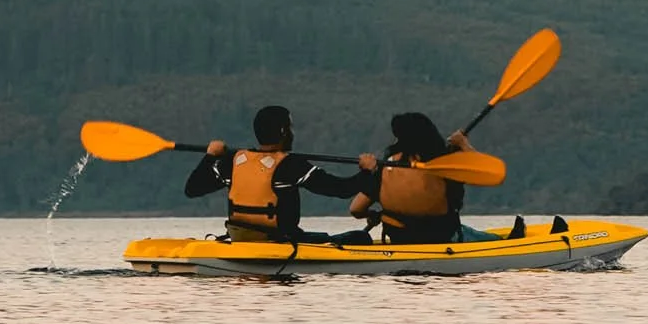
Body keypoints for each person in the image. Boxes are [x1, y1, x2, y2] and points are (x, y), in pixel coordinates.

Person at [182, 104, 369, 244]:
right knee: (360, 237)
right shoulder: (291, 165)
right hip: (282, 240)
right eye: (290, 127)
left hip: (240, 238)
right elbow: (341, 189)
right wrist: (368, 171)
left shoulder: (232, 162)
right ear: (283, 131)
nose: (293, 133)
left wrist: (210, 157)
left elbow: (192, 189)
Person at [350, 112, 520, 245]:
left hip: (400, 240)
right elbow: (481, 169)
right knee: (496, 241)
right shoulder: (446, 166)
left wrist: (374, 215)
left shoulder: (383, 169)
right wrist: (463, 144)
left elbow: (356, 209)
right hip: (443, 238)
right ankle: (506, 242)